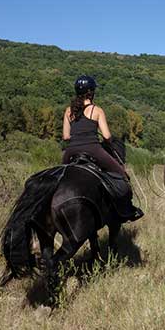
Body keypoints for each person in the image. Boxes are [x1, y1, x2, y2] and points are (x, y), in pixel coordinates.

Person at [62, 75, 143, 221]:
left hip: (71, 151)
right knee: (121, 173)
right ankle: (128, 209)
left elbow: (66, 136)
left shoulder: (69, 111)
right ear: (91, 92)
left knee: (61, 177)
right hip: (93, 149)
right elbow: (106, 136)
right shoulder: (96, 110)